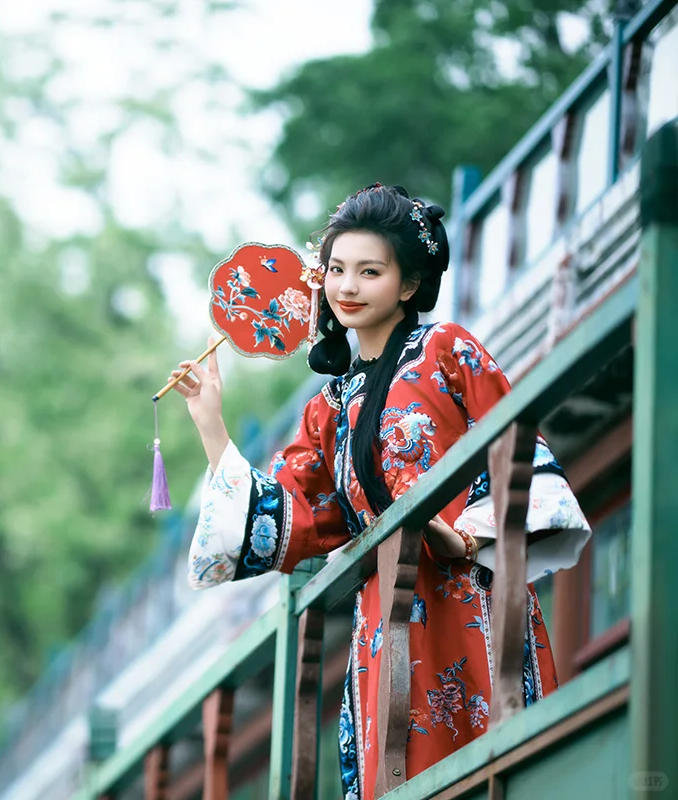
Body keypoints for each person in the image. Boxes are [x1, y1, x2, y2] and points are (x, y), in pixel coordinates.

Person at [171, 184, 591, 800]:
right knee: (400, 772)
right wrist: (211, 423)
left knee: (499, 761)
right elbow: (286, 517)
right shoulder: (327, 410)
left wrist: (464, 535)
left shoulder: (448, 351)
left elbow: (517, 452)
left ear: (409, 284)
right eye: (337, 270)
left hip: (469, 589)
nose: (348, 287)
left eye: (370, 272)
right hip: (386, 615)